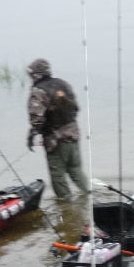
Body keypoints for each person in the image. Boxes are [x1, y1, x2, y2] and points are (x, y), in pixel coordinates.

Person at [26, 58, 90, 199]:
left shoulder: (38, 91)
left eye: (31, 74)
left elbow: (36, 119)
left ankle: (66, 206)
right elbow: (76, 108)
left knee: (57, 176)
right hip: (73, 135)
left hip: (55, 141)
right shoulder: (64, 84)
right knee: (76, 170)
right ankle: (89, 197)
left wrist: (31, 136)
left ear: (36, 75)